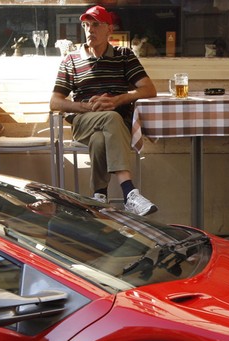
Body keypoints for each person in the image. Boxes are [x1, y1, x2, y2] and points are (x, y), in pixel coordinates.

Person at [50, 5, 158, 216]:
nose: (90, 30)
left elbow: (149, 89)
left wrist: (119, 99)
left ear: (109, 29)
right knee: (109, 117)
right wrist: (86, 106)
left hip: (118, 125)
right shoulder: (71, 60)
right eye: (86, 25)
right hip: (85, 121)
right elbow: (55, 102)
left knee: (101, 137)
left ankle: (99, 195)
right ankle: (129, 192)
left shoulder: (124, 55)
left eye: (96, 24)